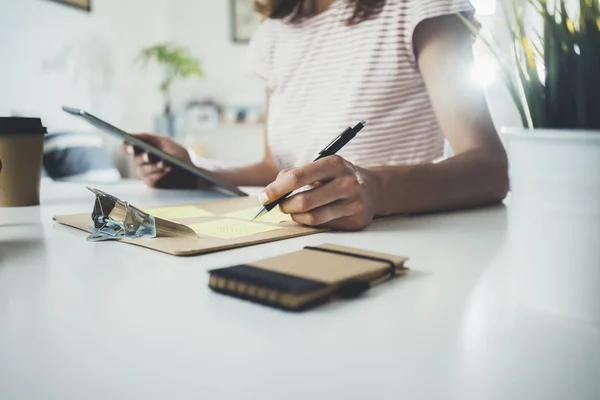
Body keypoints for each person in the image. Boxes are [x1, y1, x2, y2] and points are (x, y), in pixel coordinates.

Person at [125, 0, 509, 230]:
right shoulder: (275, 29)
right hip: (291, 244)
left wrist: (377, 190)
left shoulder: (419, 6)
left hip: (398, 249)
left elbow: (490, 169)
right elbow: (275, 168)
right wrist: (194, 170)